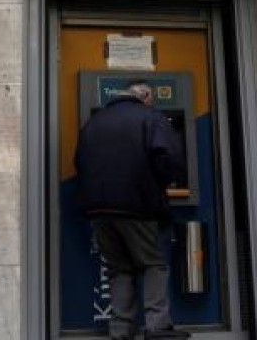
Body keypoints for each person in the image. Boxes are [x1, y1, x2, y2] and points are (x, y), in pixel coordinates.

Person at [75, 81, 190, 340]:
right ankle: (157, 326)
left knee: (119, 268)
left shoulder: (94, 122)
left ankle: (120, 329)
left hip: (98, 209)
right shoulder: (151, 117)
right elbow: (168, 158)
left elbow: (78, 161)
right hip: (137, 205)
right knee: (153, 264)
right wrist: (165, 181)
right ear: (146, 95)